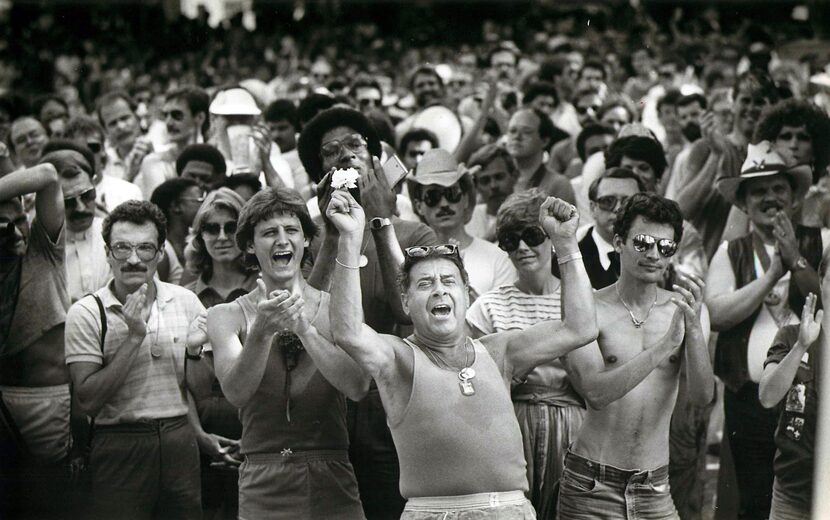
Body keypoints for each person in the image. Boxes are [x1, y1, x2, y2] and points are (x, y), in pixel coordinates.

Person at [327, 188, 597, 518]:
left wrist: (566, 244)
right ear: (406, 301)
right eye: (425, 283)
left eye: (448, 281)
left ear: (467, 296)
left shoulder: (500, 350)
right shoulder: (399, 358)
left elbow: (580, 328)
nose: (439, 288)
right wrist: (350, 239)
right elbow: (348, 332)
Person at [297, 107, 438, 518]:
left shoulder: (413, 233)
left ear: (376, 162)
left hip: (388, 404)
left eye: (355, 145)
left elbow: (408, 310)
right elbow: (308, 305)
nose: (344, 155)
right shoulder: (304, 235)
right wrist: (327, 236)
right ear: (318, 174)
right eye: (330, 151)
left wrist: (379, 221)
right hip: (325, 403)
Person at [206, 187, 369, 519]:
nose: (282, 240)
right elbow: (236, 392)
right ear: (251, 245)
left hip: (332, 473)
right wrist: (262, 332)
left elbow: (358, 386)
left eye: (291, 230)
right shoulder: (225, 315)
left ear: (306, 240)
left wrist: (305, 329)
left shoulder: (336, 307)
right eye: (269, 233)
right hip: (262, 477)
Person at [557, 192, 713, 519]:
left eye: (665, 247)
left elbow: (701, 397)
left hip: (654, 486)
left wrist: (694, 333)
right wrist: (665, 346)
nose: (654, 254)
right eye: (642, 242)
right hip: (591, 484)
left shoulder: (686, 311)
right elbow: (596, 392)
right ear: (618, 242)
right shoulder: (591, 309)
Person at [64, 200, 205, 519]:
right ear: (107, 252)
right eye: (122, 248)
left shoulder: (185, 301)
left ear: (159, 253)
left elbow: (203, 390)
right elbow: (87, 400)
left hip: (179, 437)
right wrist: (134, 337)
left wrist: (195, 352)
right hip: (119, 441)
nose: (132, 259)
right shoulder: (86, 312)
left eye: (144, 248)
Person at [705, 142, 820, 520]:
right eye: (758, 191)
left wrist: (795, 259)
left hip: (812, 399)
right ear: (743, 203)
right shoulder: (730, 251)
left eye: (778, 188)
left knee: (808, 495)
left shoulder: (822, 240)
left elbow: (826, 299)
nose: (769, 197)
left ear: (793, 196)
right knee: (754, 498)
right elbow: (717, 314)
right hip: (749, 397)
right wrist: (771, 274)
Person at [466, 188, 586, 519]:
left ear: (549, 236)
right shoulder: (488, 306)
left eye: (532, 235)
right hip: (510, 425)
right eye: (509, 239)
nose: (521, 247)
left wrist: (521, 364)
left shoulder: (579, 299)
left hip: (572, 426)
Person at [0, 157, 77, 519]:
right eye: (2, 227)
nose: (16, 233)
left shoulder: (44, 250)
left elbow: (47, 174)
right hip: (3, 406)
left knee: (48, 501)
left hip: (47, 401)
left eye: (19, 221)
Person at [758, 250, 830, 520]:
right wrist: (801, 346)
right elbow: (767, 397)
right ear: (821, 281)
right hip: (792, 493)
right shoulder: (791, 336)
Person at [410, 149, 515, 299]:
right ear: (419, 206)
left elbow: (503, 319)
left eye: (452, 193)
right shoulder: (411, 260)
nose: (444, 204)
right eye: (433, 196)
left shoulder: (498, 258)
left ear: (465, 199)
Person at [44, 140, 112, 302]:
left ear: (94, 184)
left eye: (87, 195)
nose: (81, 208)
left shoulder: (117, 235)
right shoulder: (38, 248)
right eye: (68, 202)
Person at [135, 86, 210, 198]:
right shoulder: (155, 162)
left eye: (177, 115)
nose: (169, 123)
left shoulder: (215, 157)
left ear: (199, 117)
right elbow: (159, 208)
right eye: (166, 116)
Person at [64, 115, 144, 213]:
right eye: (80, 150)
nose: (88, 154)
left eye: (93, 147)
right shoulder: (63, 200)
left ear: (103, 149)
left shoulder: (129, 191)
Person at [506, 107, 575, 202]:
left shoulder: (558, 184)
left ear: (544, 141)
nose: (517, 137)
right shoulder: (496, 179)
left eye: (527, 132)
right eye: (512, 131)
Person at [95, 90, 154, 182]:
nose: (120, 126)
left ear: (137, 117)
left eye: (125, 118)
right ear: (105, 131)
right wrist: (130, 176)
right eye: (113, 123)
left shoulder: (161, 151)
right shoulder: (103, 166)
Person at [466, 143, 518, 242]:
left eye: (499, 177)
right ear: (476, 186)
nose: (493, 186)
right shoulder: (467, 220)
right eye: (485, 180)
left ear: (515, 176)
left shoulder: (532, 214)